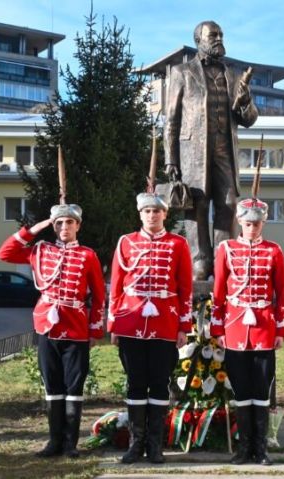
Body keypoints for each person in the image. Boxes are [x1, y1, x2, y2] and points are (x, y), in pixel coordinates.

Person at [0, 203, 105, 458]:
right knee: (52, 385)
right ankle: (54, 441)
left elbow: (99, 296)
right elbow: (5, 253)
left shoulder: (88, 255)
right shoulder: (40, 250)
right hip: (47, 325)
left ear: (78, 225)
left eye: (69, 222)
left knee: (74, 386)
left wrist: (95, 331)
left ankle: (70, 444)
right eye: (59, 223)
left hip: (76, 327)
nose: (64, 227)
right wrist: (33, 229)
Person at [164, 20, 259, 281]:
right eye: (213, 35)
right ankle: (200, 260)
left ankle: (223, 258)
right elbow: (171, 120)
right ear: (199, 40)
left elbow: (249, 119)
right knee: (198, 205)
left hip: (224, 149)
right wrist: (171, 160)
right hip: (193, 150)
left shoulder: (233, 75)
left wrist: (245, 100)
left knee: (228, 203)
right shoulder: (181, 72)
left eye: (221, 34)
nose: (219, 38)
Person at [108, 192, 193, 464]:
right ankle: (135, 444)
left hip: (165, 323)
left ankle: (155, 446)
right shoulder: (126, 242)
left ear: (165, 214)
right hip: (131, 323)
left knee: (159, 383)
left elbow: (185, 289)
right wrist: (114, 324)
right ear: (140, 214)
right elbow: (117, 286)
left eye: (157, 211)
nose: (152, 215)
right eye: (147, 211)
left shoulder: (178, 244)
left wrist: (183, 326)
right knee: (135, 383)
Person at [210, 198, 284, 465]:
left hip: (264, 327)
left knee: (262, 390)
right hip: (234, 328)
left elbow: (282, 293)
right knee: (241, 390)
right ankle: (244, 449)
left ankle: (261, 449)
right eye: (247, 223)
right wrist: (217, 327)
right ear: (239, 223)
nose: (252, 228)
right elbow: (219, 291)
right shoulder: (227, 249)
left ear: (262, 223)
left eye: (256, 223)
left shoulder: (274, 251)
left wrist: (281, 328)